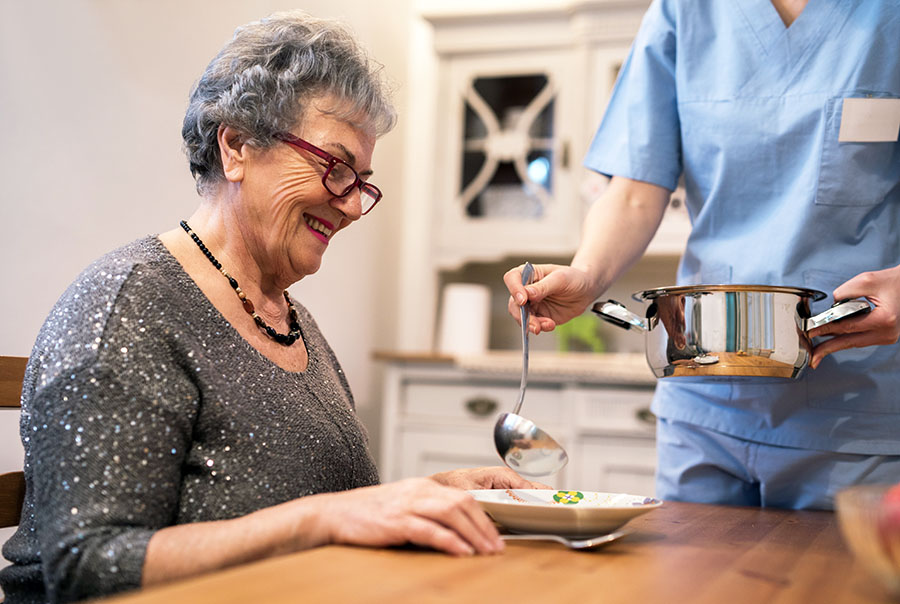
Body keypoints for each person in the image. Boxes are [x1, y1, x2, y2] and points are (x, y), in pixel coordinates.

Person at [0, 12, 541, 604]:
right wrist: (326, 520)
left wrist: (428, 495)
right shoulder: (128, 311)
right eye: (336, 168)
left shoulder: (290, 320)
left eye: (362, 181)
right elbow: (85, 567)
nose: (354, 206)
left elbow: (310, 505)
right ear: (235, 146)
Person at [504, 0, 900, 510]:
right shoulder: (684, 12)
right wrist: (587, 273)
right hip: (703, 400)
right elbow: (632, 191)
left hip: (858, 409)